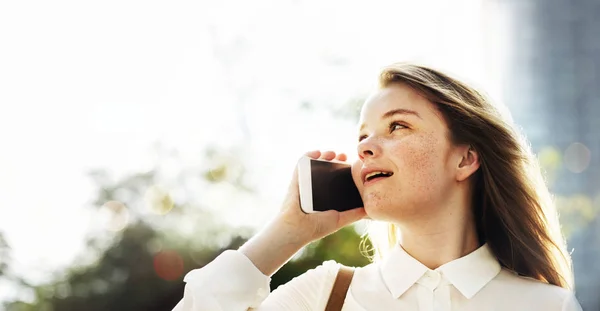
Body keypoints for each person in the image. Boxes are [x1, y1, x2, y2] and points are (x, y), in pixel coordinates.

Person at [171, 62, 583, 310]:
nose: (366, 146)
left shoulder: (547, 305)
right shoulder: (326, 295)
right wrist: (288, 233)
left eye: (397, 126)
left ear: (465, 158)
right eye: (362, 136)